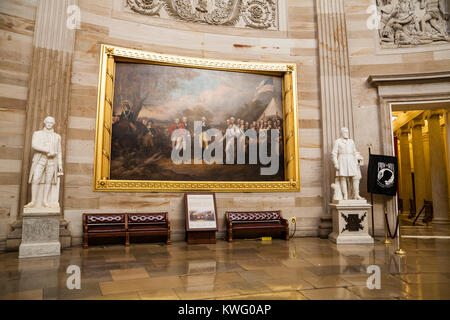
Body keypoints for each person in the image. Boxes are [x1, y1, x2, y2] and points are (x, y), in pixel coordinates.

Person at [24, 116, 63, 208]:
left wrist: (60, 164)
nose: (49, 124)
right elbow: (34, 145)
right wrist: (47, 150)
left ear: (53, 124)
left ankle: (45, 200)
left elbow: (59, 151)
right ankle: (33, 201)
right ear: (44, 122)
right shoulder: (37, 134)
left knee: (48, 180)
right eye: (47, 122)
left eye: (51, 123)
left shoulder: (57, 136)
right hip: (40, 159)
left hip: (52, 161)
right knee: (35, 179)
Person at [331, 127, 364, 200]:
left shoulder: (351, 141)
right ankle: (345, 195)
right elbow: (334, 153)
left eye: (347, 132)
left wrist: (358, 157)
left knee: (355, 177)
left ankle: (356, 194)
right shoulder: (338, 141)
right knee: (343, 177)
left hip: (351, 160)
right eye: (345, 132)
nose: (346, 133)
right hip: (342, 160)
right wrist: (336, 163)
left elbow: (355, 152)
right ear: (341, 133)